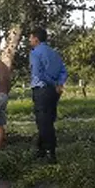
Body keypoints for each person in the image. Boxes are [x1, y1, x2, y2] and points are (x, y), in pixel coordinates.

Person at [28, 27, 67, 163]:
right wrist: (59, 84)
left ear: (36, 39)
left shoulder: (35, 53)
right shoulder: (54, 53)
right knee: (48, 120)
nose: (29, 40)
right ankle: (41, 149)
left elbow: (38, 73)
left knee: (43, 122)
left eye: (31, 38)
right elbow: (63, 70)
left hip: (42, 89)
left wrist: (53, 83)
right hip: (54, 92)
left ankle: (51, 153)